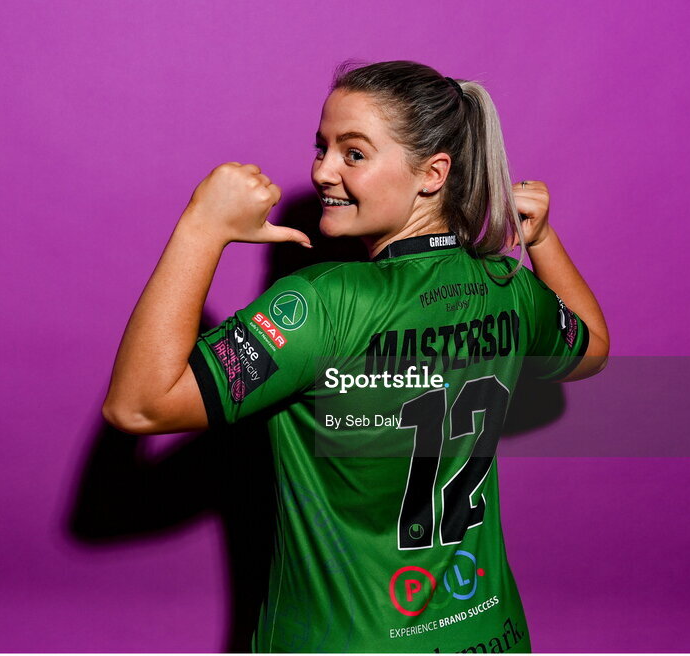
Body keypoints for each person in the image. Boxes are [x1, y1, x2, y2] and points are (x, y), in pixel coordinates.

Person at [102, 60, 609, 653]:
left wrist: (201, 227)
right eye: (321, 148)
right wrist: (542, 242)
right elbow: (592, 351)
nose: (322, 171)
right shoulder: (509, 286)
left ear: (432, 173)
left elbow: (137, 409)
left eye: (354, 153)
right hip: (491, 635)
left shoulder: (323, 302)